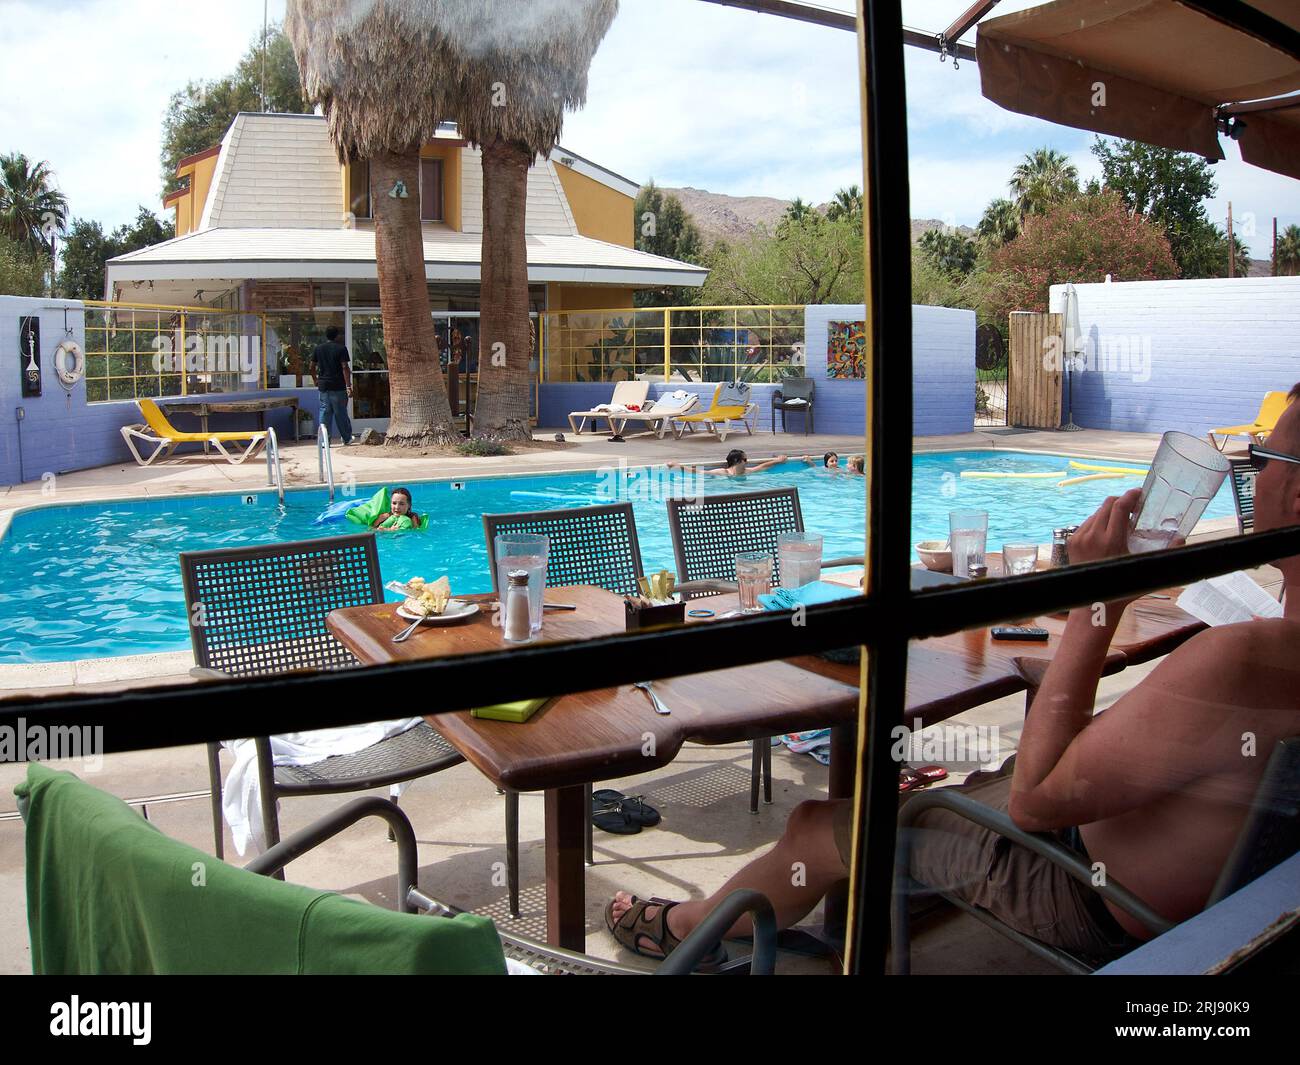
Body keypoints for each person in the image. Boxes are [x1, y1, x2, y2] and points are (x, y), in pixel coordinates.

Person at [607, 384, 1300, 965]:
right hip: (1157, 885)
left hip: (1083, 892)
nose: (1252, 473)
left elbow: (1037, 801)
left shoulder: (1245, 658)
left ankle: (682, 929)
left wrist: (1100, 598)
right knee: (956, 788)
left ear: (1295, 496)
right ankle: (865, 917)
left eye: (1263, 456)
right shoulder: (1267, 650)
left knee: (820, 823)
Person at [311, 325, 354, 446]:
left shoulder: (318, 349)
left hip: (324, 386)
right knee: (340, 412)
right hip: (338, 386)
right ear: (337, 336)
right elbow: (345, 367)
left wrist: (315, 379)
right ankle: (346, 438)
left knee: (325, 412)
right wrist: (348, 386)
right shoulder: (341, 349)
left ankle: (324, 440)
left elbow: (312, 366)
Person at [667, 450, 787, 478]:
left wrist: (778, 460)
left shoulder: (747, 472)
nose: (747, 462)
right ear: (737, 461)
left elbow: (764, 466)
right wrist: (678, 465)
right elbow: (698, 472)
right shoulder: (723, 473)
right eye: (745, 460)